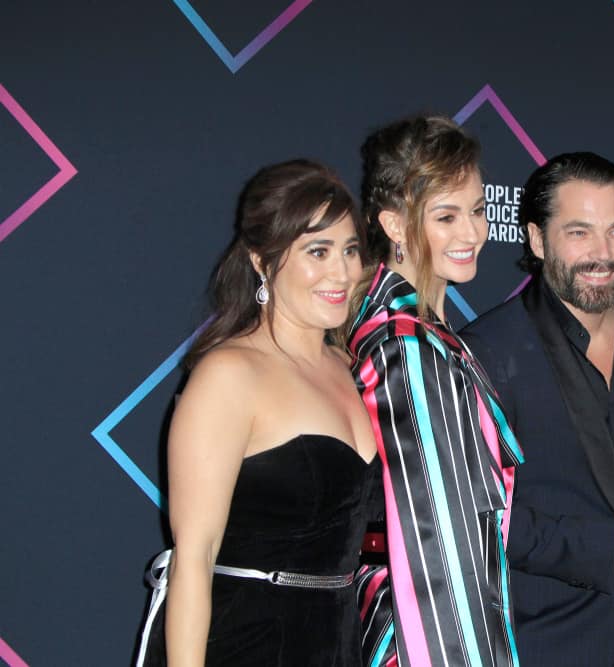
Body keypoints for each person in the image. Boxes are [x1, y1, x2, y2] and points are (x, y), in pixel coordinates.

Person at [461, 151, 614, 667]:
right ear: (536, 239)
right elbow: (482, 521)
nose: (603, 253)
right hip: (556, 639)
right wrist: (612, 542)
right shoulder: (487, 351)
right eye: (579, 232)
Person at [135, 159, 378, 666]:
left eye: (350, 250)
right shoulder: (229, 375)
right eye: (318, 251)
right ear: (263, 263)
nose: (342, 271)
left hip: (335, 642)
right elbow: (193, 562)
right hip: (245, 643)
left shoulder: (349, 364)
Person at [347, 115, 524, 667]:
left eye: (476, 210)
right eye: (447, 216)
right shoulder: (410, 350)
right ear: (395, 225)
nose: (473, 233)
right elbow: (439, 551)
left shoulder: (417, 333)